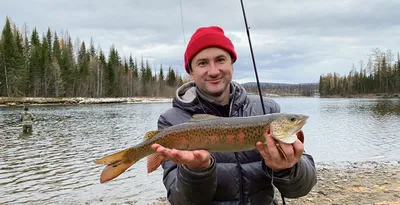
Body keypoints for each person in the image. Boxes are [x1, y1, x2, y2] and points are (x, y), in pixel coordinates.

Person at [151, 26, 317, 205]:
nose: (213, 71)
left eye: (220, 60)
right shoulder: (171, 121)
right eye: (202, 63)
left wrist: (289, 168)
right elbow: (180, 201)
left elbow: (302, 188)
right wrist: (196, 171)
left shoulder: (267, 109)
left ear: (232, 64)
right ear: (190, 72)